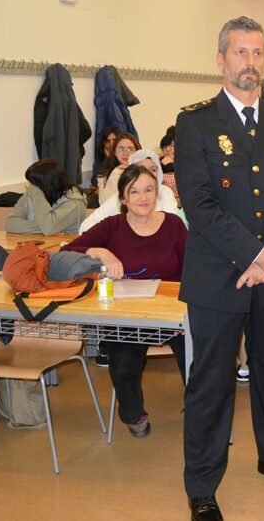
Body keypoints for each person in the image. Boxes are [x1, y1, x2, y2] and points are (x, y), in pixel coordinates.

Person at [175, 16, 264, 520]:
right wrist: (256, 256)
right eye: (241, 53)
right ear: (220, 60)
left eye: (258, 54)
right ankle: (202, 484)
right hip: (217, 277)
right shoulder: (194, 123)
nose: (250, 63)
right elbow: (200, 202)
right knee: (210, 378)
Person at [62, 164, 188, 436]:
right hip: (129, 317)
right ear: (123, 198)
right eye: (134, 191)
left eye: (149, 190)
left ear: (157, 193)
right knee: (122, 359)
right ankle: (133, 415)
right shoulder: (112, 227)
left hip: (172, 315)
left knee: (198, 354)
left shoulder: (174, 225)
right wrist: (99, 252)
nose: (143, 197)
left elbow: (194, 269)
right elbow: (68, 250)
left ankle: (200, 410)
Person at [80, 150, 181, 234]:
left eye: (153, 170)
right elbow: (86, 227)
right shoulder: (122, 195)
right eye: (142, 169)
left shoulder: (164, 192)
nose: (148, 175)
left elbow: (173, 229)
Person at [6, 159, 87, 235]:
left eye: (34, 184)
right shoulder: (34, 193)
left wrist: (49, 228)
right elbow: (10, 224)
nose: (31, 186)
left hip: (63, 247)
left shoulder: (75, 202)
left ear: (47, 184)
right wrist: (48, 228)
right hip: (36, 244)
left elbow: (48, 228)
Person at [97, 133, 141, 204]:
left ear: (137, 152)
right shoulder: (104, 174)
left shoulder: (143, 171)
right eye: (121, 149)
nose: (126, 153)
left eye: (130, 149)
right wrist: (115, 173)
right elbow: (104, 203)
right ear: (114, 152)